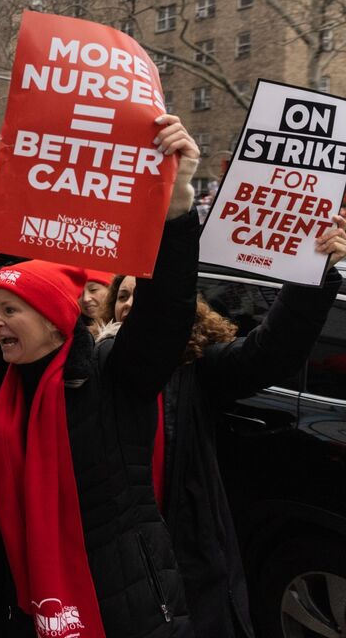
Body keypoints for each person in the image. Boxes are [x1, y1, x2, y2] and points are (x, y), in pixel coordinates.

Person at [0, 113, 200, 638]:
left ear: (53, 318)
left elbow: (167, 315)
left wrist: (176, 210)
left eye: (9, 310)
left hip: (124, 612)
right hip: (26, 614)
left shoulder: (114, 372)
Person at [95, 214, 346, 638]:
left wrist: (312, 276)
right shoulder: (85, 370)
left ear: (173, 309)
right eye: (124, 294)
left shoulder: (197, 370)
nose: (131, 304)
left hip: (181, 557)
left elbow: (271, 351)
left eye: (146, 294)